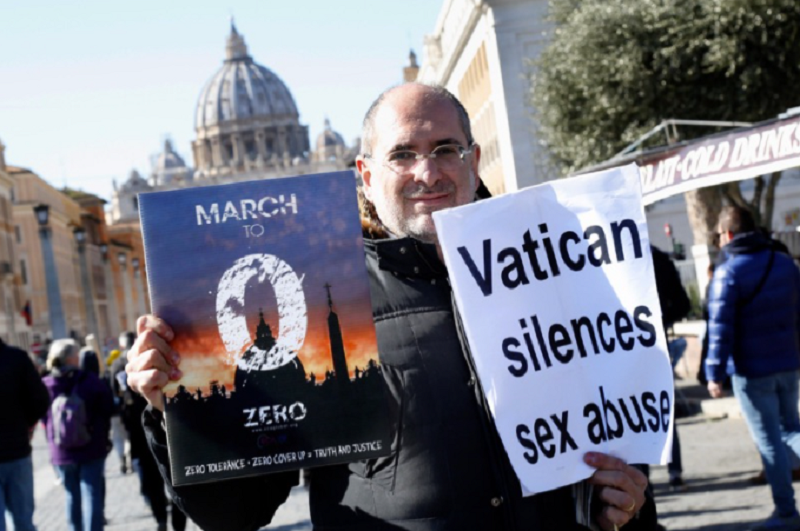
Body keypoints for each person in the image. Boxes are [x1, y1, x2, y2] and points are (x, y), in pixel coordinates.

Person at [126, 83, 655, 530]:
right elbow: (237, 512)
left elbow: (614, 450)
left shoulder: (558, 276)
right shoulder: (316, 306)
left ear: (472, 160)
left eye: (446, 148)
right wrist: (172, 411)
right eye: (403, 154)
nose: (427, 172)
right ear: (366, 174)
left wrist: (628, 505)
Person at [706, 205, 800, 531]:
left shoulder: (728, 273)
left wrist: (713, 375)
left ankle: (786, 513)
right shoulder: (785, 263)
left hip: (752, 371)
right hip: (789, 363)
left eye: (718, 235)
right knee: (791, 429)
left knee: (771, 440)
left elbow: (720, 330)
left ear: (728, 234)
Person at [42, 339, 114, 531]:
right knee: (92, 494)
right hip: (92, 447)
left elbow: (41, 416)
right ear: (74, 358)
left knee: (71, 495)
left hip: (61, 451)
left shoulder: (46, 384)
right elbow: (107, 408)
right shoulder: (90, 381)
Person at [0, 339, 50, 531]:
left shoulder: (17, 358)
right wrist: (26, 425)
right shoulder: (17, 358)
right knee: (23, 521)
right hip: (17, 449)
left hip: (17, 449)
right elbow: (40, 400)